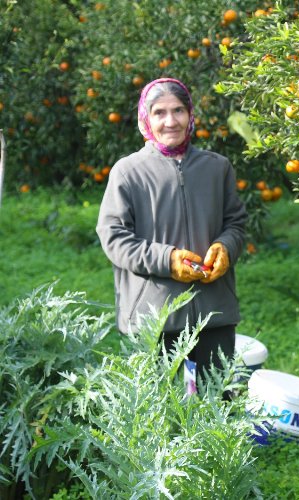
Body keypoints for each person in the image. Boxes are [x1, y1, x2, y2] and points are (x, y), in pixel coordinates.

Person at [96, 77, 248, 380]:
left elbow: (236, 222)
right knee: (159, 415)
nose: (170, 121)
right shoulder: (128, 172)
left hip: (212, 314)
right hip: (154, 317)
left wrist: (226, 248)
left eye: (178, 111)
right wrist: (167, 260)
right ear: (145, 119)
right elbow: (114, 236)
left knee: (217, 408)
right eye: (159, 113)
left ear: (190, 115)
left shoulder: (217, 168)